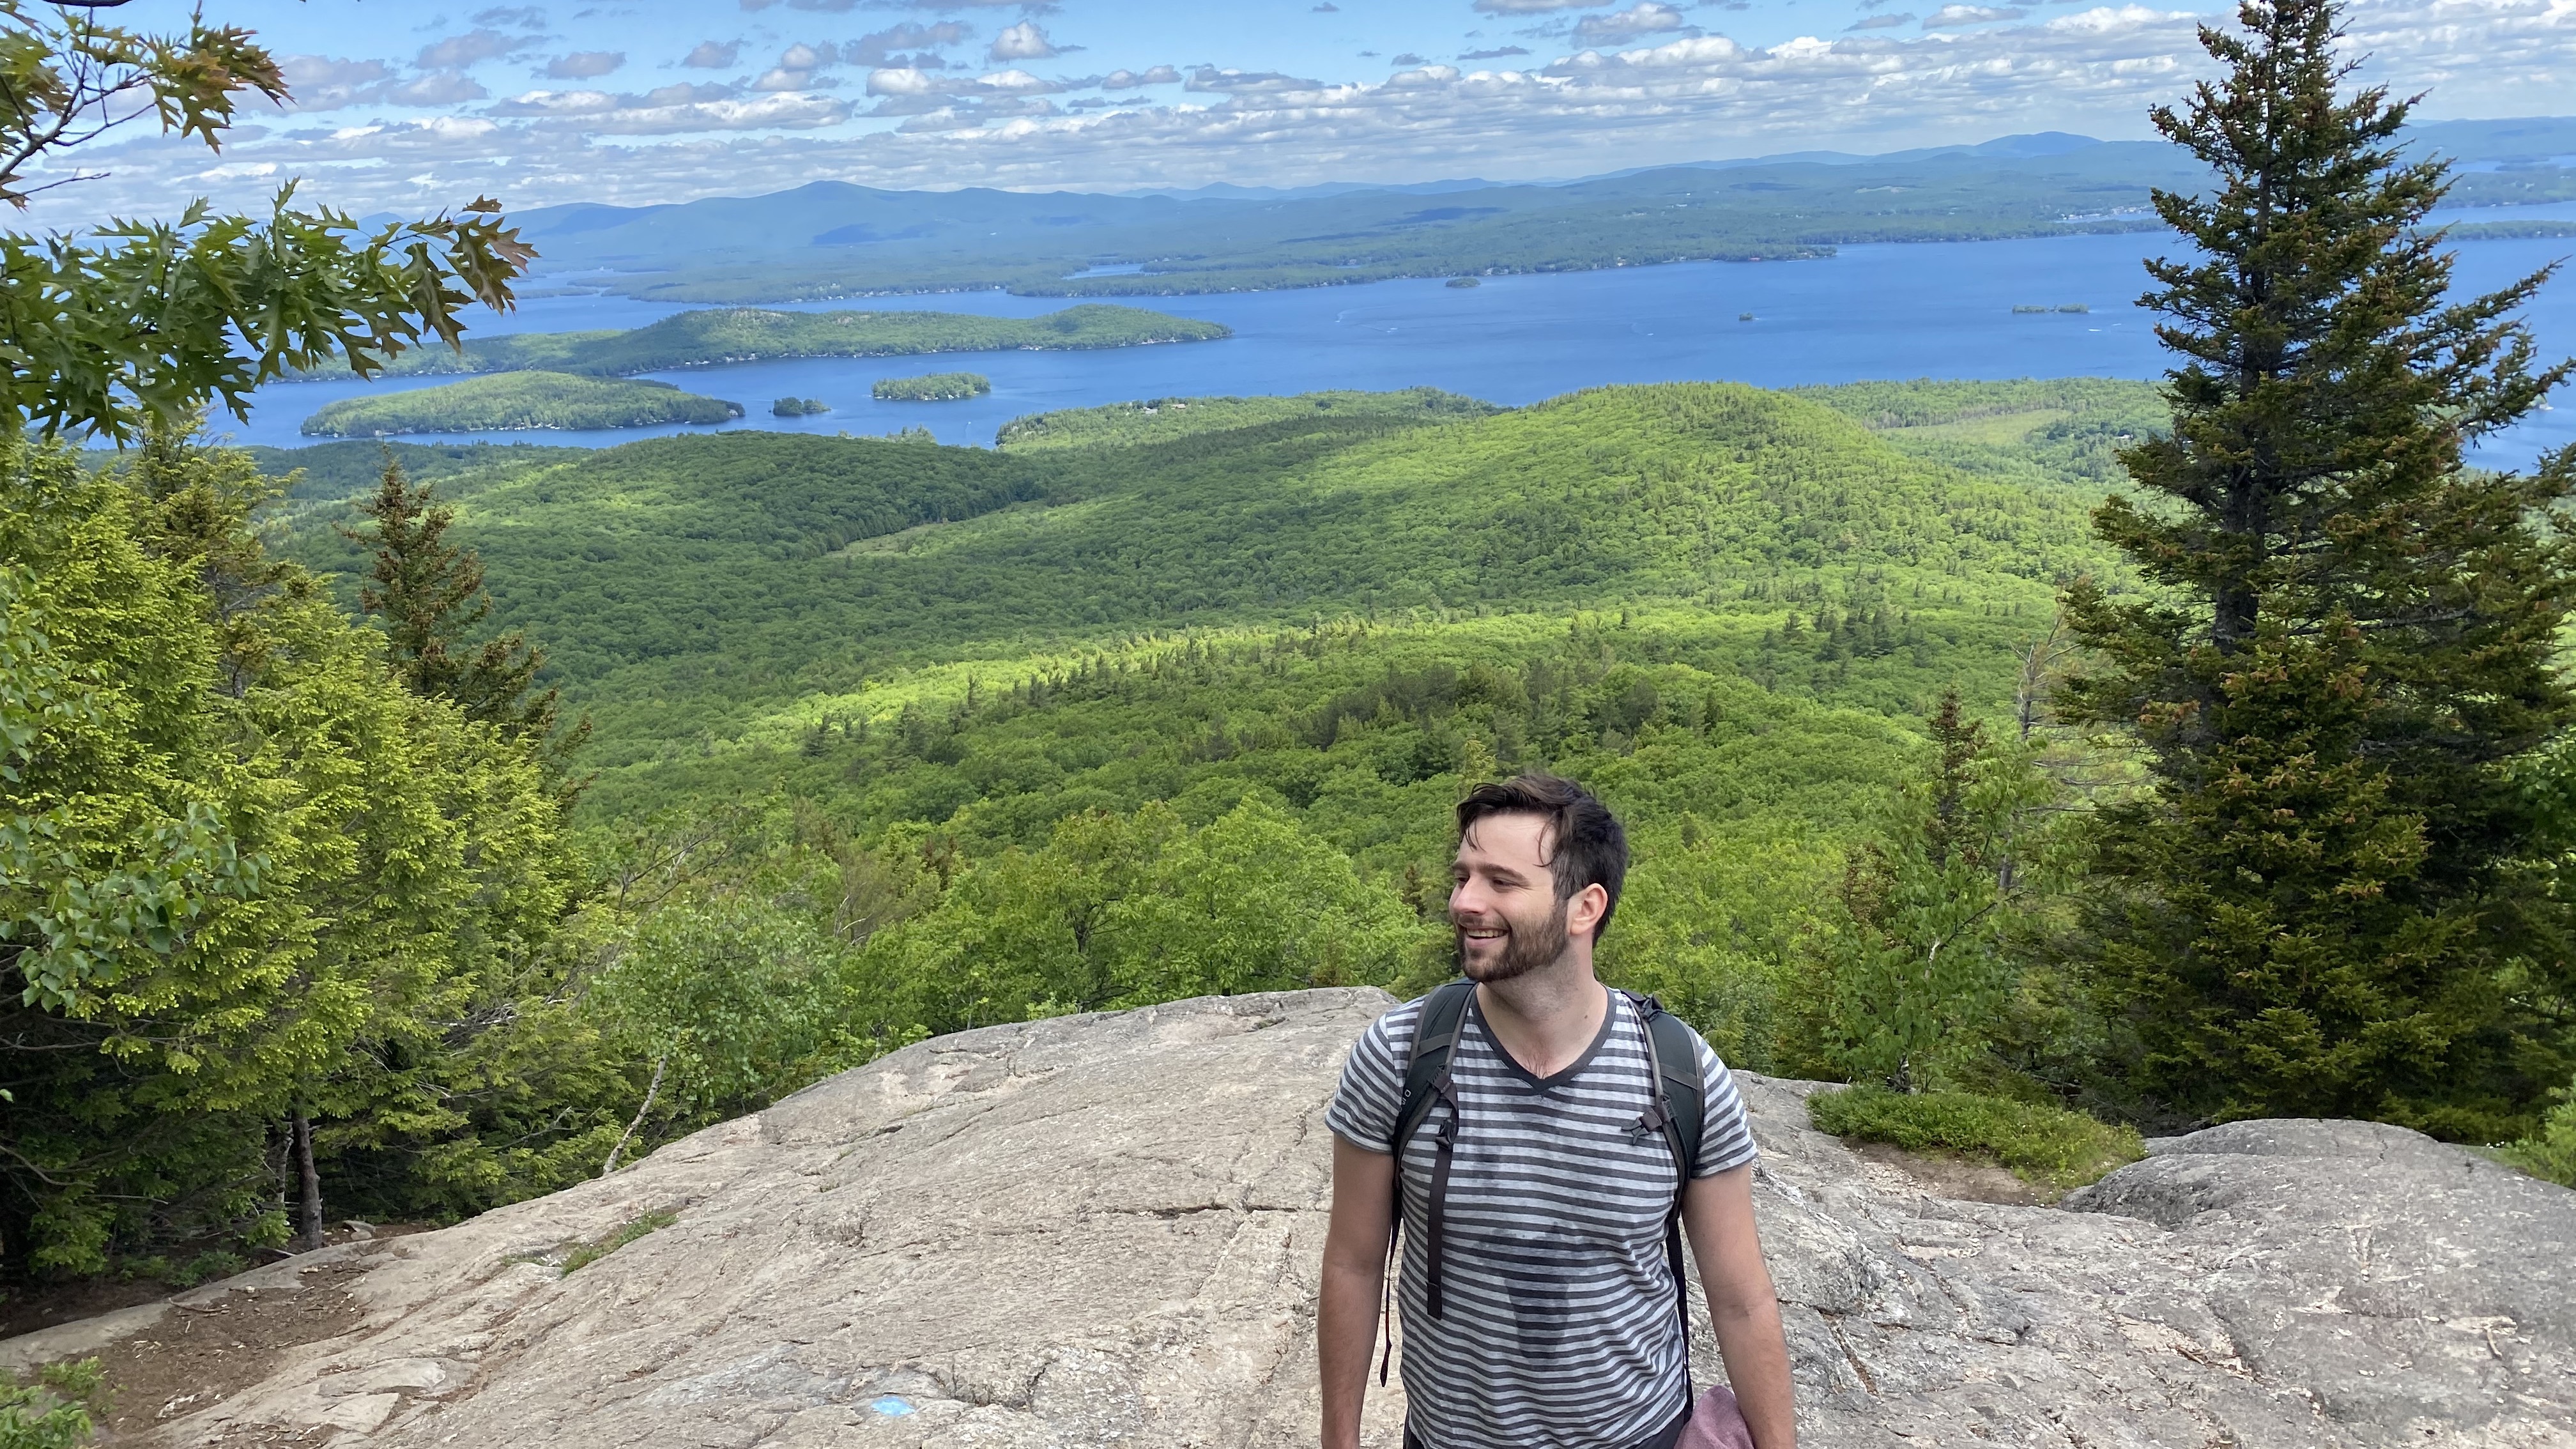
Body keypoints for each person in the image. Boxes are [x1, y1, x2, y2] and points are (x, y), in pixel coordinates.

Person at [1318, 773, 1798, 1449]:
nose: (1465, 901)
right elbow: (1353, 1264)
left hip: (1640, 1434)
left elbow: (1741, 1301)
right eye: (1462, 876)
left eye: (1501, 882)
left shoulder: (1679, 1075)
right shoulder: (1401, 1057)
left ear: (1585, 907)